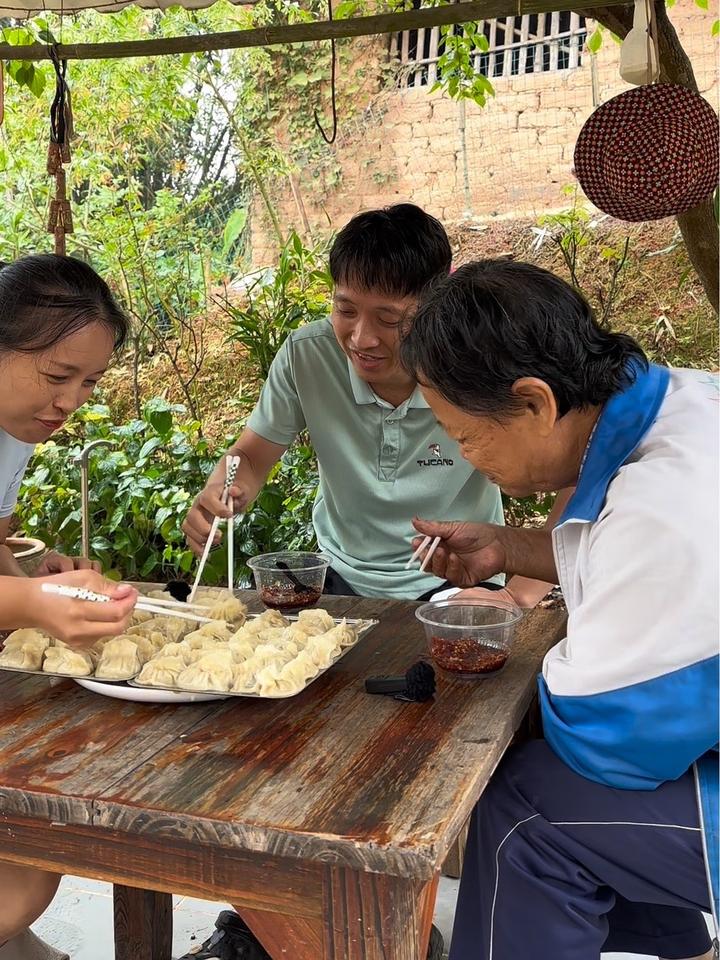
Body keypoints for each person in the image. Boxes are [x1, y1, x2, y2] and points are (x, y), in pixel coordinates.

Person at [181, 206, 562, 959]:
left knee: (415, 776)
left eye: (391, 318)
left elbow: (565, 470)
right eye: (346, 310)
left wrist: (518, 589)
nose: (362, 338)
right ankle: (259, 926)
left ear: (439, 299)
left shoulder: (473, 364)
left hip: (449, 592)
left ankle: (399, 928)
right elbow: (249, 455)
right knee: (284, 749)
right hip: (339, 585)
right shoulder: (306, 356)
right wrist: (225, 488)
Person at [400, 259, 718, 960]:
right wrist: (506, 550)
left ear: (537, 402)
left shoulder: (663, 507)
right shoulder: (685, 402)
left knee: (524, 807)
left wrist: (528, 695)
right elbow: (619, 557)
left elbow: (611, 744)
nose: (462, 455)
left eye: (465, 435)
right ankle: (680, 946)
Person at [0, 255, 137, 960]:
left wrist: (32, 571)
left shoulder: (11, 431)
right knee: (19, 882)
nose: (71, 401)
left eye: (88, 383)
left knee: (40, 842)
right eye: (57, 376)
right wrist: (28, 600)